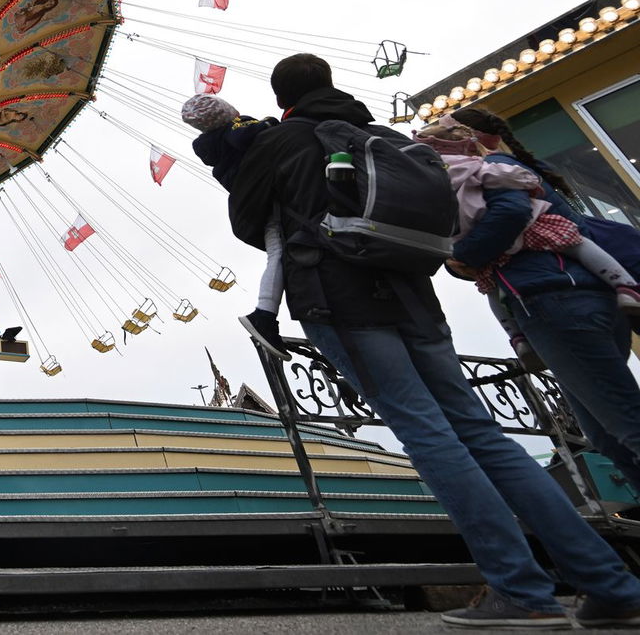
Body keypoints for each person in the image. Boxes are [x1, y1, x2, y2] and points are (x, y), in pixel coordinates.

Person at [227, 53, 640, 629]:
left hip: (338, 294)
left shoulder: (281, 142)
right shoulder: (384, 136)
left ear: (280, 98)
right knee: (482, 434)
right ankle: (609, 584)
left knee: (426, 433)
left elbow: (248, 223)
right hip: (416, 298)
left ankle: (521, 591)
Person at [445, 105, 640, 501]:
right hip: (584, 293)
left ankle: (519, 338)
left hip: (551, 298)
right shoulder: (519, 170)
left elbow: (511, 214)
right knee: (603, 432)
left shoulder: (492, 169)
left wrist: (465, 253)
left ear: (475, 138)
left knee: (626, 422)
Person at [415, 116, 640, 365]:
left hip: (518, 274)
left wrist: (459, 254)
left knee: (490, 287)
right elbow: (512, 211)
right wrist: (532, 185)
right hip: (559, 275)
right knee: (577, 243)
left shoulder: (433, 180)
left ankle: (516, 337)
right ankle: (626, 286)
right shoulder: (487, 166)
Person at [180, 93, 287, 357]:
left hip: (251, 206)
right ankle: (264, 313)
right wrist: (270, 123)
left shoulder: (209, 146)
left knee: (279, 251)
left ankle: (266, 313)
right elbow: (249, 133)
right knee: (281, 252)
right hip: (269, 198)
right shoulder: (235, 130)